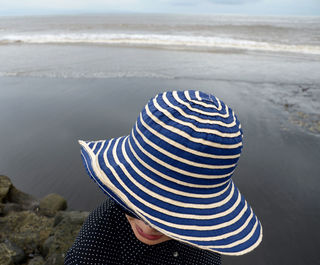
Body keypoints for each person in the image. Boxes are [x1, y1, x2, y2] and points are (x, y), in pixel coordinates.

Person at [65, 90, 263, 265]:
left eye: (170, 215)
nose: (149, 226)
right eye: (136, 208)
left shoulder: (205, 248)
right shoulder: (90, 251)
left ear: (206, 216)